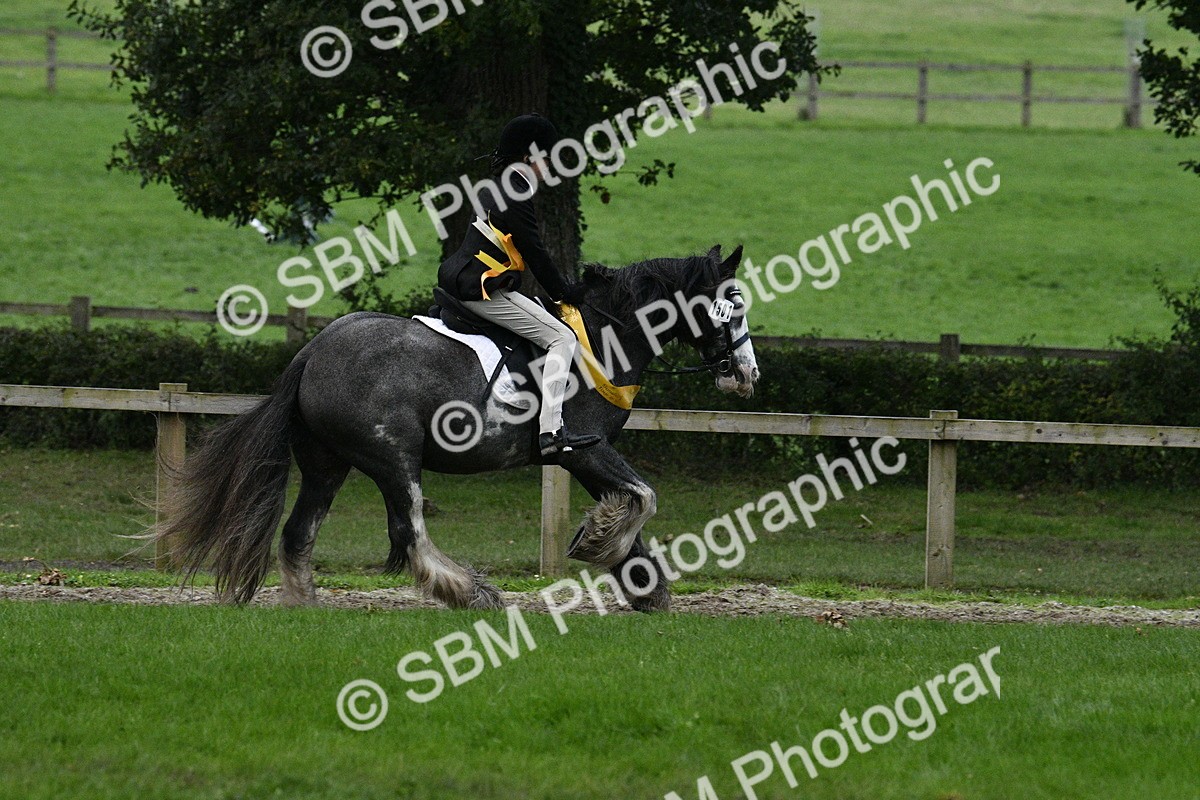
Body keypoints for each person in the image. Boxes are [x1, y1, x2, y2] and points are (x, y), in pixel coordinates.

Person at [437, 113, 601, 459]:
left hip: (474, 279)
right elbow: (534, 250)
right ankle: (551, 433)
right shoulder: (516, 186)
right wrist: (565, 293)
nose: (548, 164)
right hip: (481, 287)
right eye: (545, 156)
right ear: (529, 157)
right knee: (562, 338)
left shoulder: (502, 182)